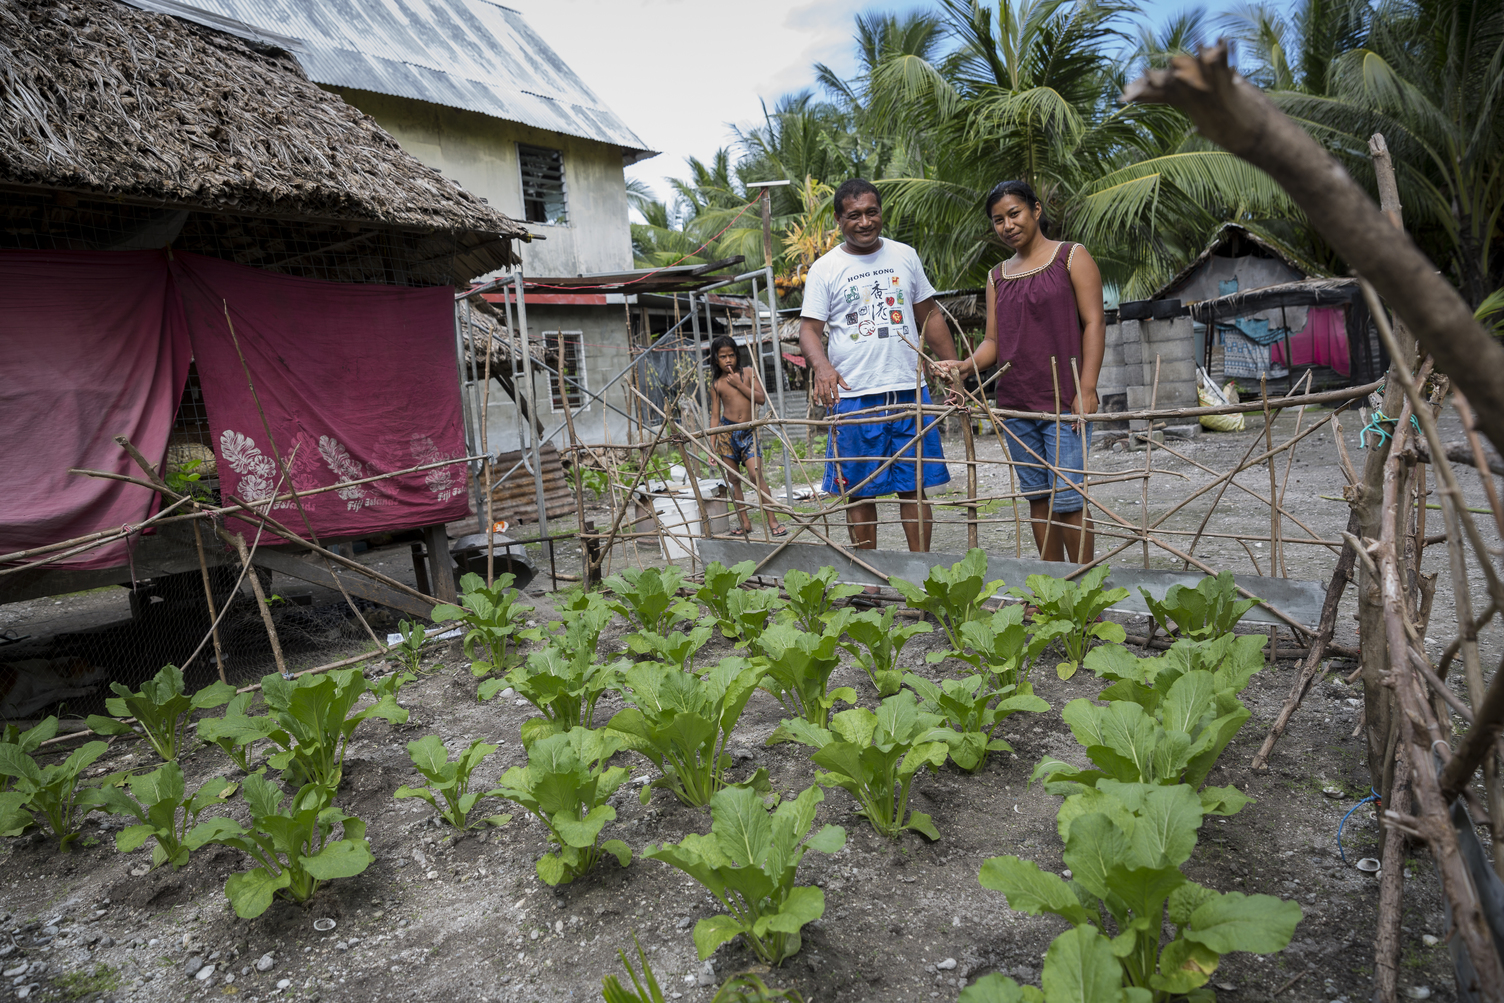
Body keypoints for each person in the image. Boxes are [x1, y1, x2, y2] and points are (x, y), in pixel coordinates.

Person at [934, 179, 1105, 564]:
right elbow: (994, 342)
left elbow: (1095, 323)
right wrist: (963, 365)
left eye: (1014, 214)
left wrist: (1087, 387)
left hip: (1064, 400)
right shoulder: (998, 277)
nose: (1008, 225)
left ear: (1036, 210)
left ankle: (1084, 594)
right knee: (1038, 501)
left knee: (1069, 501)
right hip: (1017, 404)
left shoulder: (1071, 256)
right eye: (998, 220)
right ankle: (1052, 591)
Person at [799, 178, 958, 553]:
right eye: (854, 215)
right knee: (858, 490)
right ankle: (870, 577)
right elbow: (808, 331)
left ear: (881, 213)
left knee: (913, 487)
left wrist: (952, 368)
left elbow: (929, 316)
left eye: (872, 212)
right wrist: (822, 368)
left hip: (907, 387)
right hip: (855, 395)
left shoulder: (905, 255)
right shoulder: (825, 268)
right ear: (839, 220)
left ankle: (921, 574)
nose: (865, 222)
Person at [708, 335, 786, 537]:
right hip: (726, 434)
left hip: (749, 432)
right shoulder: (716, 384)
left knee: (755, 474)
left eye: (731, 355)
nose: (728, 360)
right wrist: (711, 446)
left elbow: (761, 399)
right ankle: (745, 522)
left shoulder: (749, 373)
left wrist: (739, 384)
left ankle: (772, 520)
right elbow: (715, 416)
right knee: (733, 479)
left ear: (737, 356)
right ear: (716, 359)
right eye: (723, 356)